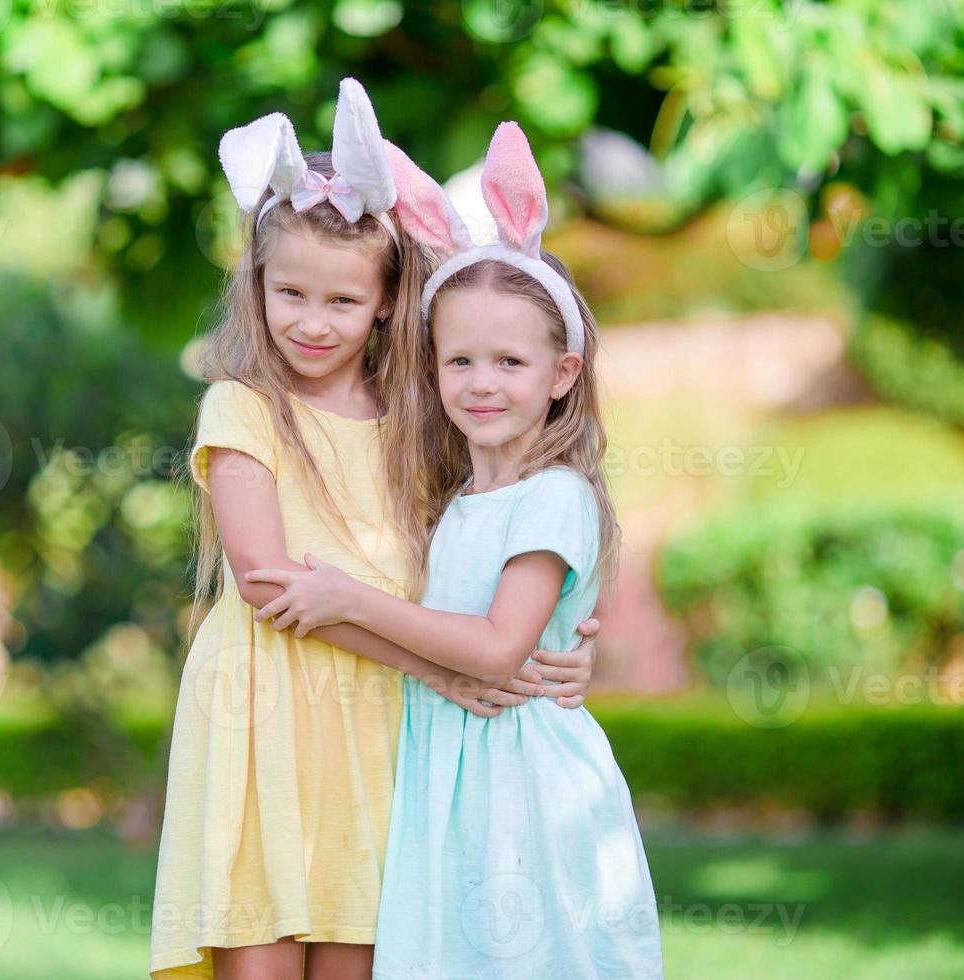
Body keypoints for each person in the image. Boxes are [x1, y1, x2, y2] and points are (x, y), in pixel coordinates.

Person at [150, 84, 602, 980]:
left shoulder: (418, 422)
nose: (313, 323)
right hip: (263, 720)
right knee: (262, 954)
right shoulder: (242, 408)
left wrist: (559, 650)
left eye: (342, 303)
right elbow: (269, 584)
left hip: (382, 732)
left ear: (390, 301)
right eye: (291, 294)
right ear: (258, 286)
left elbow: (486, 568)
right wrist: (444, 668)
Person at [246, 123, 665, 978]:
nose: (480, 382)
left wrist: (354, 601)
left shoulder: (555, 495)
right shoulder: (458, 503)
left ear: (563, 374)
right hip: (452, 775)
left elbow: (496, 647)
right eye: (459, 360)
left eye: (510, 361)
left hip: (526, 789)